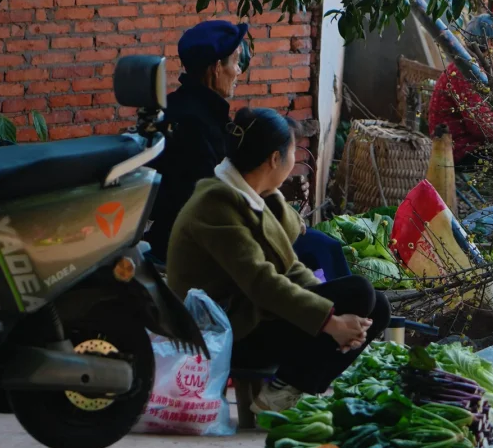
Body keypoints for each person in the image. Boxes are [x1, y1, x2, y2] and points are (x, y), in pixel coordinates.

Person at [167, 107, 390, 411]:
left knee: (377, 306)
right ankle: (285, 389)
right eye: (293, 153)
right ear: (275, 159)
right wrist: (329, 322)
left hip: (251, 316)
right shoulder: (215, 205)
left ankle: (286, 388)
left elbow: (289, 267)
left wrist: (332, 312)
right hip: (224, 334)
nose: (294, 161)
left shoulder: (253, 197)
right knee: (359, 293)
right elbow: (262, 283)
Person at [148, 19, 250, 261]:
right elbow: (210, 200)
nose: (238, 71)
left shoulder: (178, 106)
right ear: (216, 68)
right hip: (196, 248)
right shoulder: (196, 124)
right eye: (235, 62)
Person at [427, 14, 493, 167]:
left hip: (467, 144)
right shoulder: (466, 72)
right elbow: (482, 127)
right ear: (491, 44)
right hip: (457, 150)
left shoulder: (474, 68)